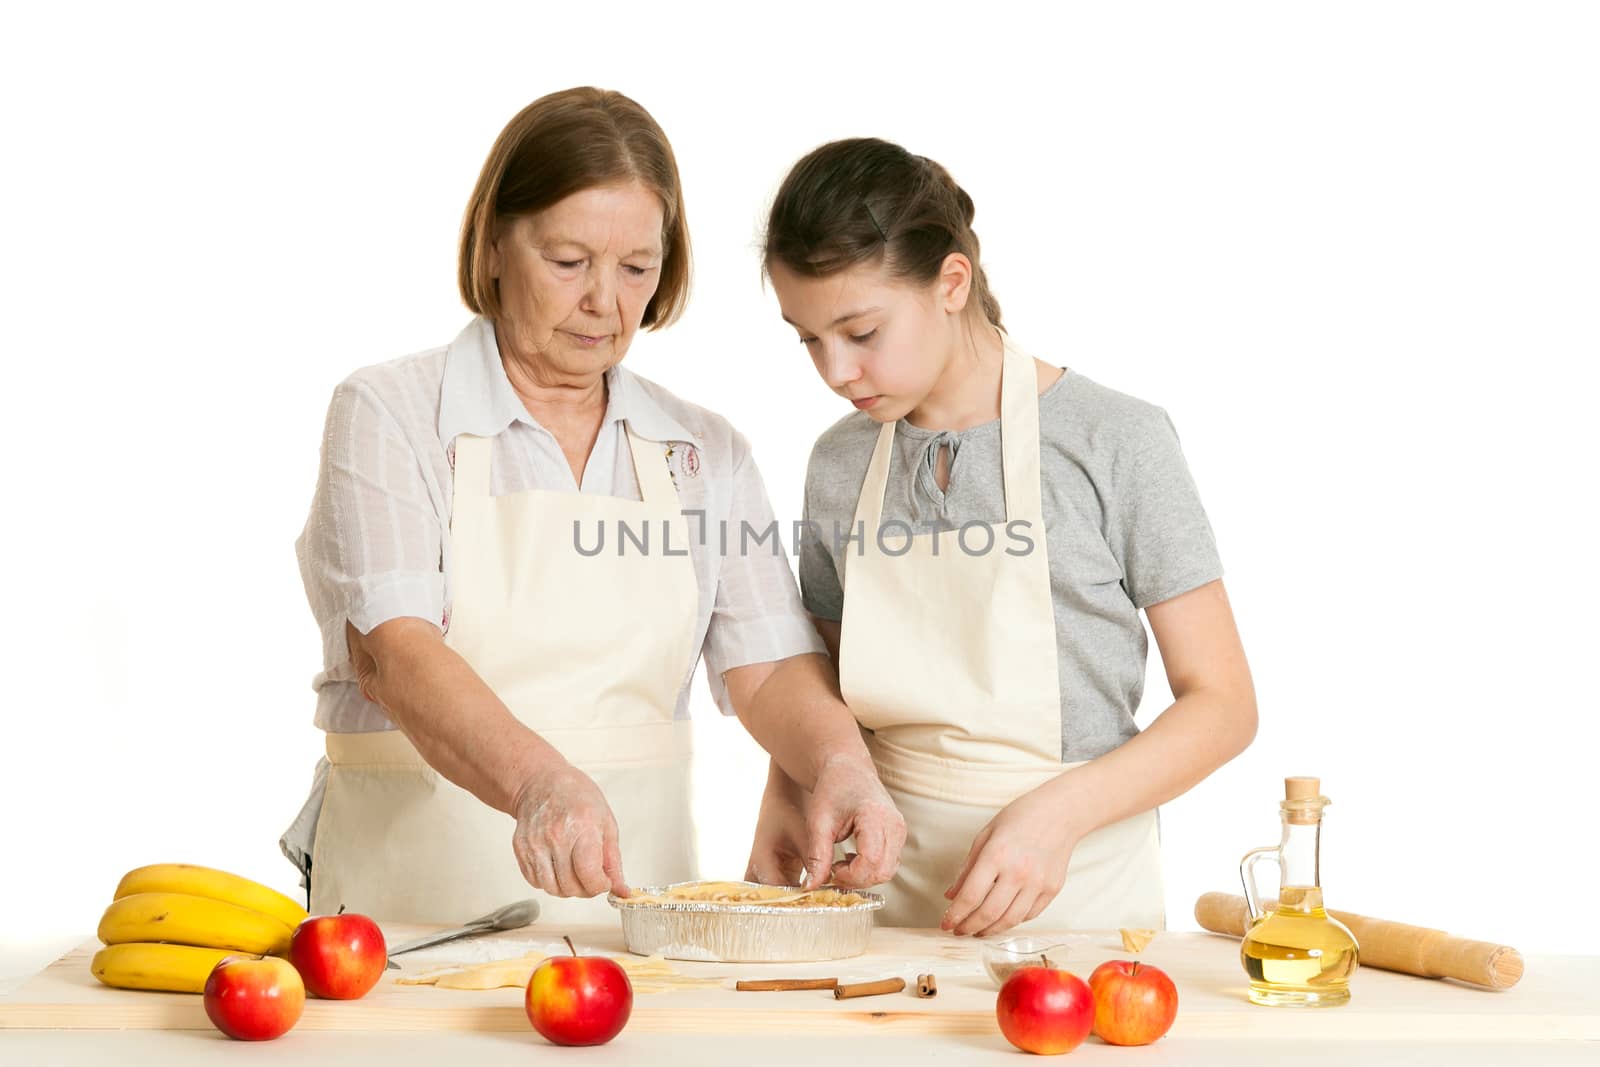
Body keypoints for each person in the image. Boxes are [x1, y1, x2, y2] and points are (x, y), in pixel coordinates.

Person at [279, 92, 903, 924]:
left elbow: (771, 665)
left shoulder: (705, 450)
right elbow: (395, 653)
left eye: (637, 268)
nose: (606, 303)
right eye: (569, 261)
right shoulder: (390, 412)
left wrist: (841, 765)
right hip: (405, 915)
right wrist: (541, 780)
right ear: (496, 244)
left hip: (637, 919)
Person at [747, 137, 1257, 936]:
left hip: (1077, 893)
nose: (836, 371)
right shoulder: (841, 462)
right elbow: (821, 677)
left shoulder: (1114, 440)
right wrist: (787, 795)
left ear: (952, 282)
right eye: (809, 338)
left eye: (860, 331)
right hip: (878, 893)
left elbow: (1224, 704)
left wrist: (1058, 815)